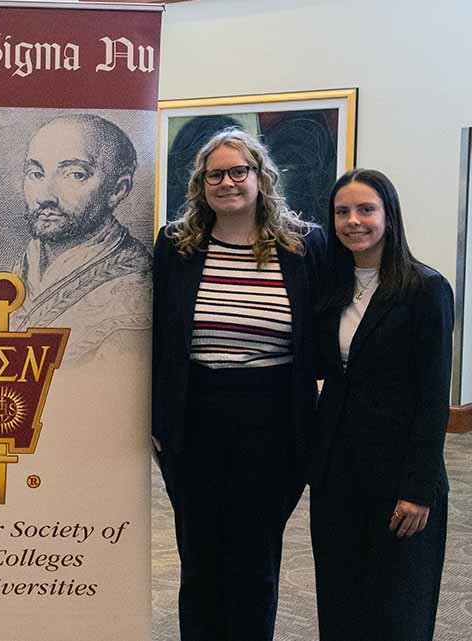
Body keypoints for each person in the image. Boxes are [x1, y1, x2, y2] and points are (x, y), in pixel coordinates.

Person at [151, 127, 325, 641]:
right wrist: (157, 418)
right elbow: (158, 332)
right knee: (200, 553)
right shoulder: (176, 245)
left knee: (255, 554)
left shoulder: (303, 245)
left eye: (238, 171)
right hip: (195, 415)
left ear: (260, 177)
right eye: (215, 174)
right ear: (201, 184)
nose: (227, 182)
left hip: (273, 419)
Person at [310, 169, 453, 641]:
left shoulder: (425, 289)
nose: (354, 220)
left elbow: (434, 398)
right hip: (337, 471)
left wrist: (419, 488)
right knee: (340, 599)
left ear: (389, 216)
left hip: (399, 475)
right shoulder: (329, 288)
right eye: (342, 211)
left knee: (398, 609)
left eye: (366, 209)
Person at [12, 113, 153, 362]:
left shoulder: (136, 285)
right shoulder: (27, 263)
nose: (45, 195)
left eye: (75, 174)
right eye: (36, 173)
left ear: (118, 189)